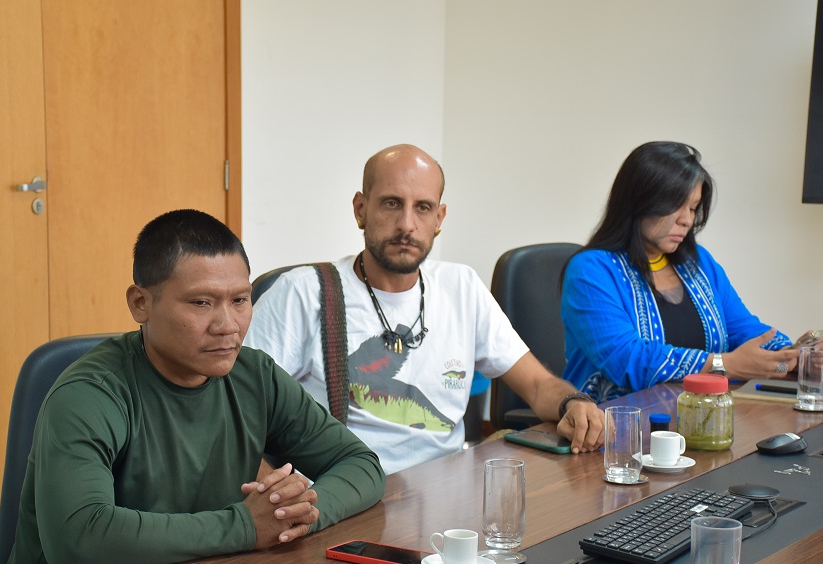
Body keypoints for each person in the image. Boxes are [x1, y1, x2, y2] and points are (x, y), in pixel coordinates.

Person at [3, 210, 385, 564]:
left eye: (239, 300)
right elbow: (77, 538)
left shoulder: (256, 376)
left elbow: (360, 464)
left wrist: (295, 516)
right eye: (201, 302)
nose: (227, 325)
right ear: (140, 303)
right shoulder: (90, 393)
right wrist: (245, 527)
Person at [244, 144, 604, 474]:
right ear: (360, 209)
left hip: (447, 490)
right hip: (346, 496)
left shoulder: (461, 286)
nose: (407, 225)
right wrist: (272, 491)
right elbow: (230, 410)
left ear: (439, 218)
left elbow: (538, 385)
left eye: (423, 207)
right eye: (391, 203)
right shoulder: (302, 293)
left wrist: (573, 402)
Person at [560, 141, 823, 402]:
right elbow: (627, 360)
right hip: (610, 424)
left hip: (697, 416)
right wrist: (724, 365)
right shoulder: (590, 271)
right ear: (638, 202)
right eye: (675, 206)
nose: (687, 220)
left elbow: (743, 329)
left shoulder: (698, 263)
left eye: (693, 208)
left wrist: (793, 355)